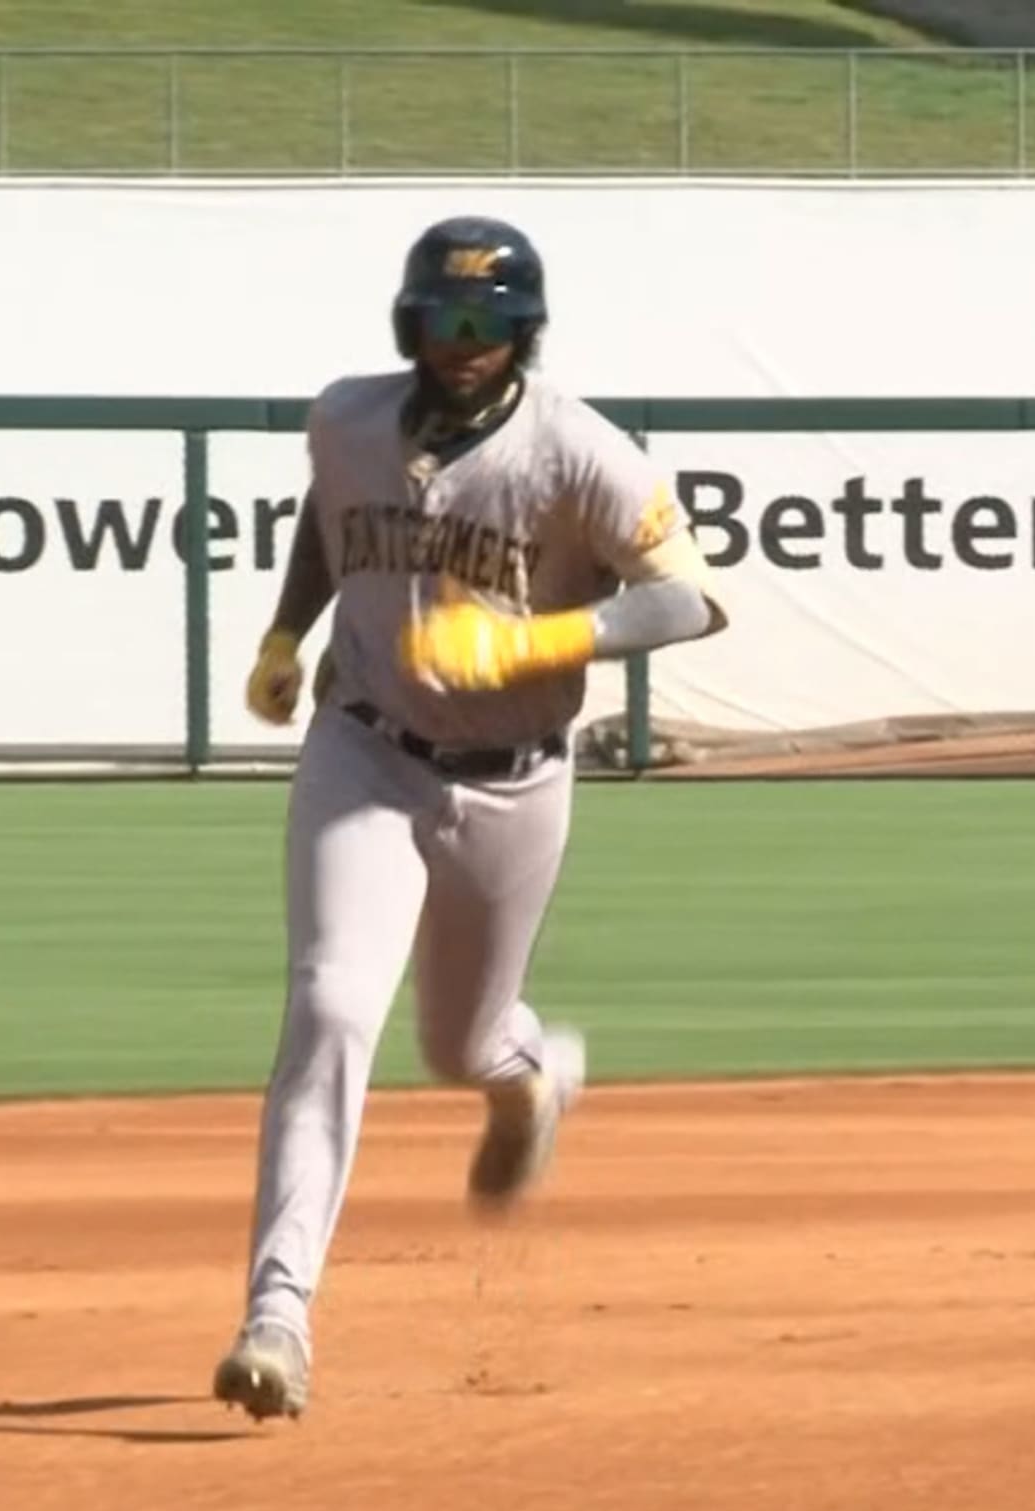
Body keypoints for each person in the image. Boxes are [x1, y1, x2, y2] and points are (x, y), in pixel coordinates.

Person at [214, 215, 731, 1422]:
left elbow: (691, 602)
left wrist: (535, 640)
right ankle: (276, 1316)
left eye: (490, 327)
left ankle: (528, 1080)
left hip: (514, 777)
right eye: (445, 321)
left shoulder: (581, 453)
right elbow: (328, 517)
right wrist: (287, 633)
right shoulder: (344, 416)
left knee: (462, 1044)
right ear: (411, 324)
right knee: (332, 1002)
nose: (464, 346)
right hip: (364, 752)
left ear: (523, 335)